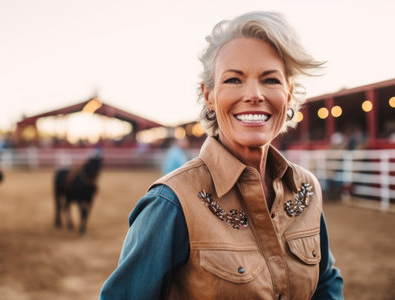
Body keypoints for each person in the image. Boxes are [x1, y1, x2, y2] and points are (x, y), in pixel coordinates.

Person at [100, 11, 343, 299]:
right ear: (209, 96)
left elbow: (325, 281)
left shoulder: (307, 189)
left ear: (289, 94)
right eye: (233, 80)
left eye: (270, 80)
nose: (254, 94)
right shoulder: (171, 203)